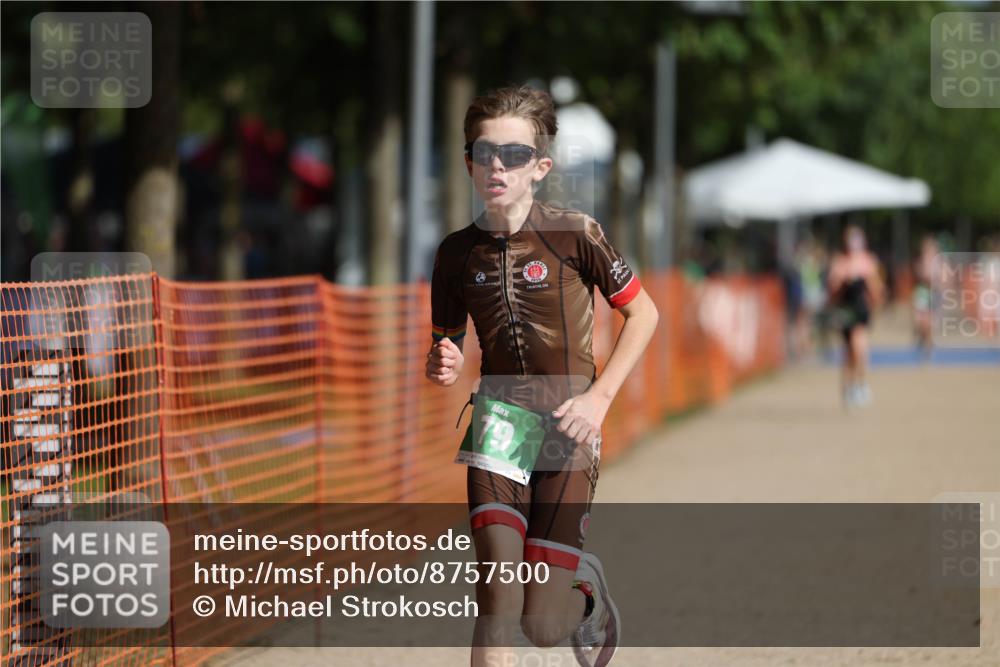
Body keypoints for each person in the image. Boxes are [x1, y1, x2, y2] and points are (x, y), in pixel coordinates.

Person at [425, 85, 659, 667]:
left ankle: (584, 593)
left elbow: (644, 313)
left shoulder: (576, 232)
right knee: (497, 597)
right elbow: (445, 344)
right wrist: (444, 360)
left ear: (540, 167)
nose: (497, 166)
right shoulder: (455, 254)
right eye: (484, 152)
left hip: (568, 420)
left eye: (514, 155)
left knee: (543, 627)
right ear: (468, 162)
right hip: (499, 421)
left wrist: (600, 401)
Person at [827, 225, 883, 408]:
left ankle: (860, 384)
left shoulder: (868, 261)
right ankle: (848, 387)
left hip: (861, 310)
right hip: (845, 311)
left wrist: (874, 301)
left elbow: (877, 289)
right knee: (848, 353)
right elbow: (832, 292)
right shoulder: (840, 263)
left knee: (860, 349)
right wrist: (841, 281)